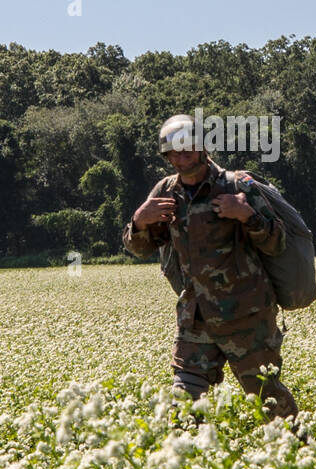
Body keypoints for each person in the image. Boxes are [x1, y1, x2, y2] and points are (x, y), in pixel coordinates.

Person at [122, 113, 299, 420]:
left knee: (266, 397)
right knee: (184, 399)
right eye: (173, 152)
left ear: (202, 148)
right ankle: (188, 461)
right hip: (196, 317)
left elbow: (277, 242)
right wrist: (139, 221)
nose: (180, 157)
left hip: (247, 316)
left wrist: (246, 215)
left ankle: (298, 453)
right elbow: (139, 249)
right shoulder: (165, 192)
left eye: (187, 149)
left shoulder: (236, 185)